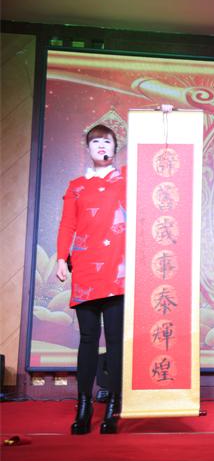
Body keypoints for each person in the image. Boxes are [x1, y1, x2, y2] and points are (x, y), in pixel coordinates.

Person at [56, 124, 126, 434]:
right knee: (87, 339)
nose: (101, 146)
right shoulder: (76, 185)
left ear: (115, 148)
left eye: (107, 141)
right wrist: (61, 258)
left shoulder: (126, 179)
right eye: (95, 141)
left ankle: (114, 406)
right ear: (88, 148)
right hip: (85, 267)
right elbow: (67, 224)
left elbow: (158, 164)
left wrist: (164, 119)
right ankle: (83, 406)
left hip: (118, 268)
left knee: (114, 339)